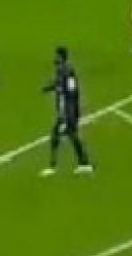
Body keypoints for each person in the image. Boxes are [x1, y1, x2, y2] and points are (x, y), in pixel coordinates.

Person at [40, 47, 93, 176]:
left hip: (68, 110)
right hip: (67, 110)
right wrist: (49, 88)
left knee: (68, 135)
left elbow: (70, 90)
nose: (54, 58)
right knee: (62, 135)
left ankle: (82, 164)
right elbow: (61, 85)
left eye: (56, 56)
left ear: (61, 57)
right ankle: (81, 163)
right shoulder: (64, 69)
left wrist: (68, 113)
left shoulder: (65, 70)